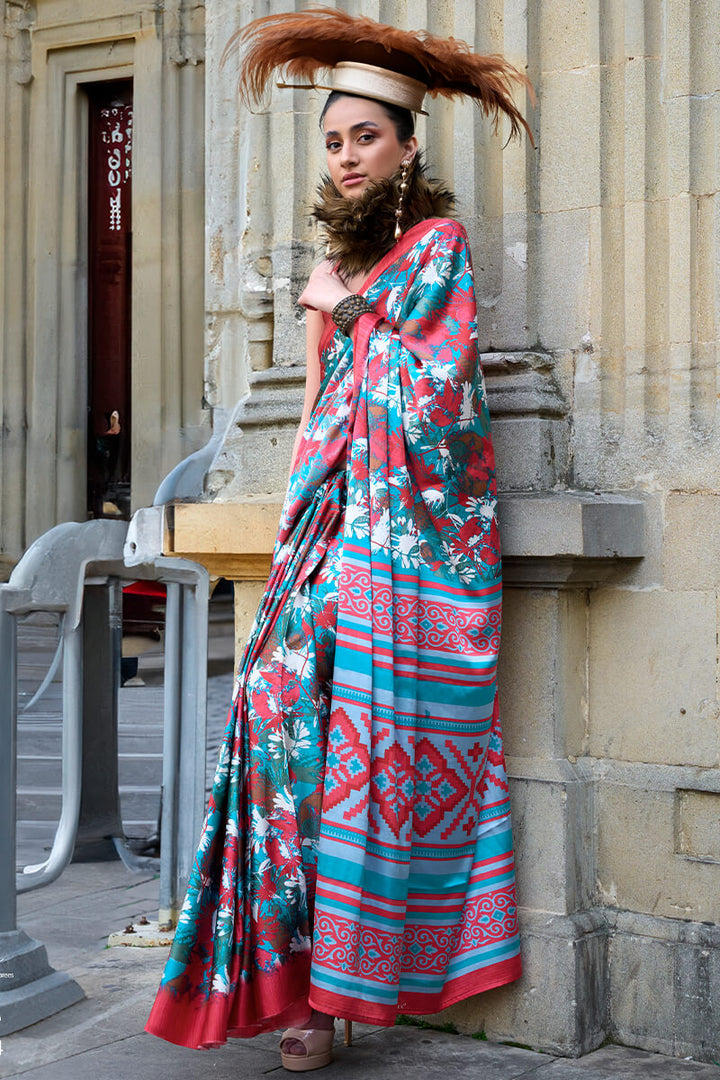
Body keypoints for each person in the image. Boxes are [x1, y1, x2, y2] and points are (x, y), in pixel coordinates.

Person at [145, 7, 532, 1072]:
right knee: (272, 724)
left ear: (406, 147)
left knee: (361, 758)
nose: (348, 156)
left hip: (406, 550)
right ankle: (293, 980)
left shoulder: (436, 249)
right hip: (326, 539)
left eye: (367, 137)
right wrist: (337, 311)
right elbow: (320, 413)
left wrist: (350, 305)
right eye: (333, 141)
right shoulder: (334, 267)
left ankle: (337, 995)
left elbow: (445, 405)